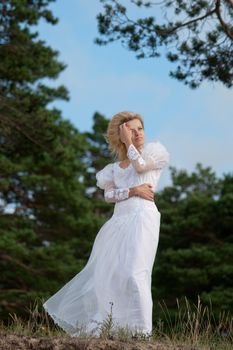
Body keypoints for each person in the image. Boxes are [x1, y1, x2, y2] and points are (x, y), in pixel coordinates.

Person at [43, 111, 170, 337]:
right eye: (131, 130)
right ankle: (113, 328)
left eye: (140, 128)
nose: (138, 133)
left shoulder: (155, 152)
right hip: (117, 222)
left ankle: (141, 332)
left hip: (143, 218)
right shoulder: (112, 170)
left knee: (135, 273)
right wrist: (133, 190)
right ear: (121, 134)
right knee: (109, 276)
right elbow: (109, 196)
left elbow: (140, 166)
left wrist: (129, 143)